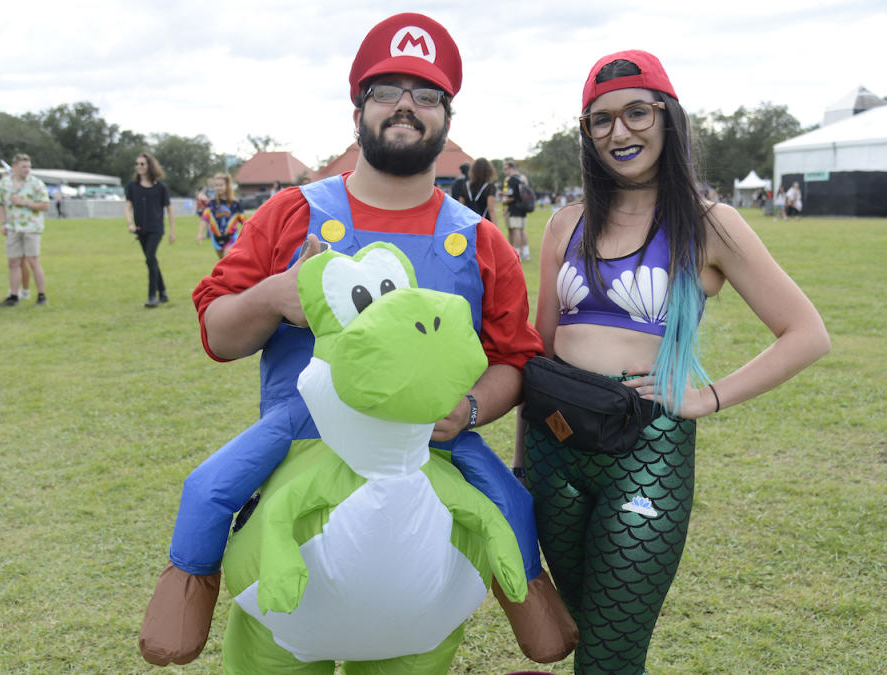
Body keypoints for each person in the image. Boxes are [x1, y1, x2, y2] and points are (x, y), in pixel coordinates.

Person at [139, 12, 577, 671]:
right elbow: (218, 331)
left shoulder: (480, 241)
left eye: (425, 94)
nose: (405, 106)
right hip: (299, 474)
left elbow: (516, 359)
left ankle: (529, 594)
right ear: (358, 111)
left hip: (425, 506)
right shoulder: (290, 212)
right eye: (386, 90)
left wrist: (472, 407)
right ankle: (188, 584)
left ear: (446, 118)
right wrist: (272, 296)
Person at [516, 49, 830, 674]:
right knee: (584, 627)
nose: (619, 131)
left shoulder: (713, 225)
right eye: (600, 120)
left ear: (668, 119)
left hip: (648, 454)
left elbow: (806, 333)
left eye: (637, 112)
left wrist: (708, 397)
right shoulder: (564, 225)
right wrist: (524, 464)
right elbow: (539, 353)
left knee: (612, 655)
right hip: (555, 450)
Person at [0, 153, 49, 307]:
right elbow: (0, 204)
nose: (27, 169)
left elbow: (45, 205)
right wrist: (3, 223)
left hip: (31, 227)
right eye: (23, 167)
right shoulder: (4, 184)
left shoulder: (36, 183)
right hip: (12, 227)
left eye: (28, 167)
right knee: (13, 261)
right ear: (14, 167)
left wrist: (25, 203)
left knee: (32, 261)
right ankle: (14, 296)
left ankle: (41, 295)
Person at [125, 152, 175, 308]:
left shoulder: (160, 188)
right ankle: (164, 292)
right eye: (137, 164)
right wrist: (130, 223)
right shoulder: (132, 186)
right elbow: (128, 207)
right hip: (140, 229)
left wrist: (172, 230)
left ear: (149, 166)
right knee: (151, 260)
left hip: (156, 229)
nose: (139, 167)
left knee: (150, 257)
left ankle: (152, 296)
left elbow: (169, 209)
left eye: (142, 164)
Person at [197, 172, 246, 259]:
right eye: (216, 185)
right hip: (216, 239)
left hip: (231, 238)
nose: (218, 187)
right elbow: (205, 219)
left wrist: (247, 237)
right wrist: (200, 234)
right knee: (222, 263)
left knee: (226, 261)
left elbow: (244, 222)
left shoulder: (235, 204)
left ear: (227, 186)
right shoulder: (211, 204)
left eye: (221, 185)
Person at [502, 160, 531, 261]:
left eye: (506, 169)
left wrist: (503, 199)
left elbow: (511, 196)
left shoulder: (512, 180)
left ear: (511, 168)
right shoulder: (521, 179)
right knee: (522, 230)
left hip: (514, 209)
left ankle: (517, 253)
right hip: (523, 208)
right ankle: (526, 253)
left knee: (516, 231)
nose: (504, 171)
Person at [465, 156, 498, 222]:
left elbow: (461, 206)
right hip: (484, 222)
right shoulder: (490, 187)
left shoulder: (466, 186)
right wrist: (496, 229)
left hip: (469, 222)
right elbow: (491, 209)